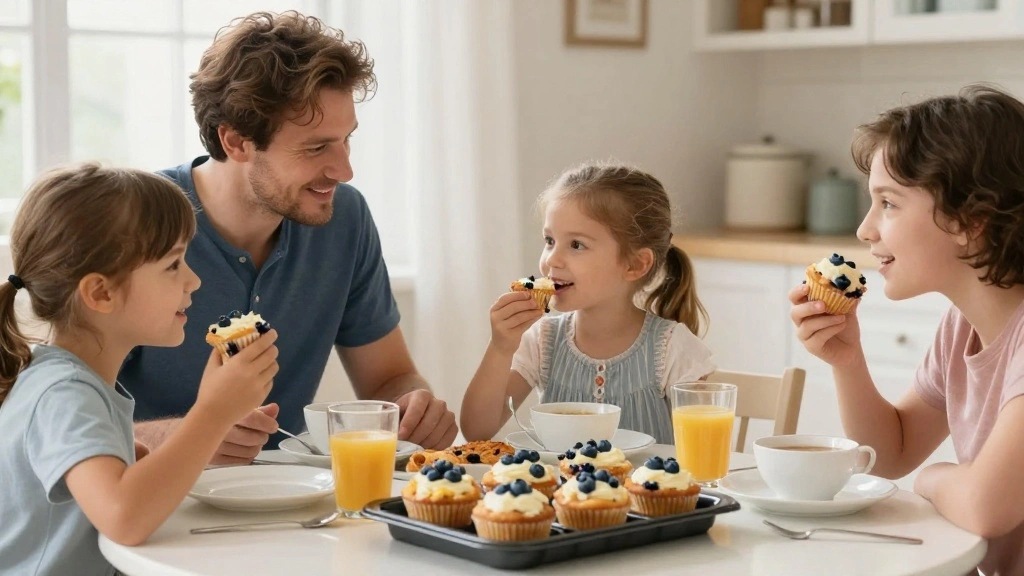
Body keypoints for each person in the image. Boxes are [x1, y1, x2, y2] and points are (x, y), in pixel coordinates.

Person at [121, 11, 457, 463]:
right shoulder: (131, 224)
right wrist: (190, 437)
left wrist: (412, 406)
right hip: (148, 509)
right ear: (236, 141)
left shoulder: (345, 219)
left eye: (346, 140)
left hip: (291, 501)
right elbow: (58, 421)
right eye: (316, 147)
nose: (344, 170)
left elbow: (388, 379)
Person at [788, 85, 1024, 575]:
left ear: (970, 220)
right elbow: (889, 454)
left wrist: (935, 477)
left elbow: (986, 506)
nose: (865, 229)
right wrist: (847, 361)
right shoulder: (962, 326)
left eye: (888, 203)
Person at [0, 164, 279, 575]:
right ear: (101, 293)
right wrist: (214, 412)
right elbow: (124, 518)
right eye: (172, 265)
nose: (193, 281)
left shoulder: (69, 381)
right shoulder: (63, 393)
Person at [461, 163, 716, 444]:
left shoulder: (673, 349)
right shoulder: (542, 341)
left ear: (635, 264)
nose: (551, 260)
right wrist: (500, 348)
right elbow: (477, 431)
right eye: (549, 240)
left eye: (576, 245)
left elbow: (704, 449)